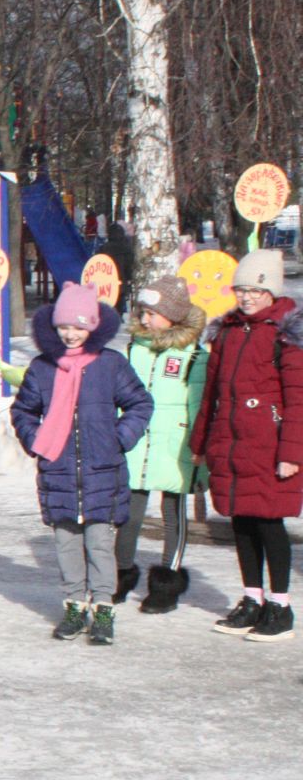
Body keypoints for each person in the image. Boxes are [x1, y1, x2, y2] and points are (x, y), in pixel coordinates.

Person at [10, 282, 154, 645]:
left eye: (78, 326)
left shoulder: (110, 365)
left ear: (93, 327)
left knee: (100, 544)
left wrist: (118, 438)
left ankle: (103, 608)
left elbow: (140, 403)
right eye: (64, 326)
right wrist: (36, 440)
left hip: (102, 471)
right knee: (66, 544)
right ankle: (74, 605)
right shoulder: (43, 368)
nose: (71, 334)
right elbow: (23, 410)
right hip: (58, 472)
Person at [189, 249, 303, 642]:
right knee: (241, 521)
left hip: (270, 446)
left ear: (271, 290)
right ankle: (252, 598)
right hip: (230, 443)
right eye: (241, 289)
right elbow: (211, 393)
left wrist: (291, 453)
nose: (247, 297)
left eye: (256, 289)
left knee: (270, 524)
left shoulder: (286, 333)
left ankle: (281, 605)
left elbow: (298, 398)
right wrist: (200, 441)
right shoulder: (228, 332)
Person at [117, 275, 207, 614]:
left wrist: (199, 448)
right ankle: (121, 573)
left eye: (152, 313)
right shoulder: (133, 348)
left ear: (172, 315)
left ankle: (166, 583)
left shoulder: (194, 355)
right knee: (128, 513)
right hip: (137, 442)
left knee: (173, 514)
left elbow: (198, 405)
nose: (144, 319)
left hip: (177, 445)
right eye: (142, 312)